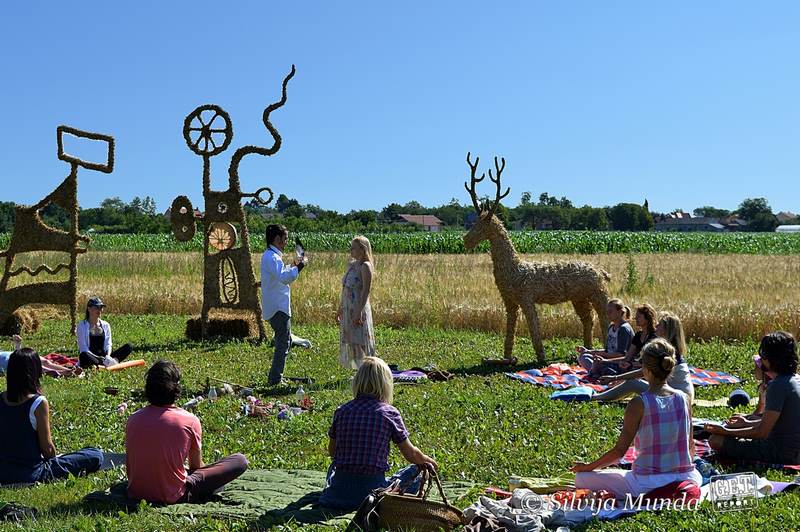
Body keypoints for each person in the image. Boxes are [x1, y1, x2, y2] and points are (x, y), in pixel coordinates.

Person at [571, 339, 701, 498]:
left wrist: (588, 467)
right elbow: (690, 444)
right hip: (687, 479)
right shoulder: (684, 398)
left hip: (646, 484)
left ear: (645, 369)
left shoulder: (639, 403)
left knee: (581, 478)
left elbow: (619, 452)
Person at [319, 357, 438, 510]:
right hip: (372, 495)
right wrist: (427, 460)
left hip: (337, 494)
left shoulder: (342, 411)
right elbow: (411, 454)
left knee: (333, 468)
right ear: (386, 384)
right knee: (417, 471)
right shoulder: (389, 413)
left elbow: (333, 452)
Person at [126, 360, 248, 503]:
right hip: (173, 495)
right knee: (240, 460)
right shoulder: (189, 420)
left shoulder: (133, 419)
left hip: (136, 492)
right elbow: (196, 466)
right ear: (176, 388)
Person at [0, 348, 103, 485]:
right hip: (31, 473)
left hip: (3, 472)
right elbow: (47, 449)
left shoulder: (1, 398)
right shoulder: (37, 403)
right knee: (95, 455)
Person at [706, 331, 800, 465]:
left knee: (715, 440)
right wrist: (745, 422)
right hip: (794, 450)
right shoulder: (795, 380)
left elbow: (762, 432)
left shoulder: (777, 386)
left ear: (768, 360)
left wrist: (726, 431)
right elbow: (779, 423)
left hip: (782, 453)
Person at [594, 310, 695, 403]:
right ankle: (601, 396)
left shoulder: (666, 350)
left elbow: (642, 372)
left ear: (666, 330)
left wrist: (615, 378)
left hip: (678, 399)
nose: (656, 325)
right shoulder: (672, 348)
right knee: (634, 383)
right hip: (681, 397)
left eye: (660, 325)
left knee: (633, 383)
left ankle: (596, 397)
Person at [261, 224, 308, 386]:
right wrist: (299, 267)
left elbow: (280, 273)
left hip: (276, 305)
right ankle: (275, 379)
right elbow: (284, 277)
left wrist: (294, 266)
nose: (287, 242)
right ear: (277, 239)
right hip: (278, 307)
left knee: (284, 341)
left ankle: (276, 376)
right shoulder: (272, 257)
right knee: (283, 343)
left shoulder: (271, 256)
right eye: (285, 238)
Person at [338, 236, 376, 370]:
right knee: (351, 340)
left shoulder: (365, 266)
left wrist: (358, 312)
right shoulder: (352, 265)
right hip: (348, 307)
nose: (351, 250)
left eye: (353, 247)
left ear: (362, 249)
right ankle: (359, 370)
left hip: (358, 308)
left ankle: (367, 370)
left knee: (360, 341)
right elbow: (345, 288)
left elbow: (366, 290)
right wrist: (340, 307)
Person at [577, 299, 634, 377]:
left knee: (594, 361)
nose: (607, 314)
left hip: (618, 363)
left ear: (620, 312)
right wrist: (588, 351)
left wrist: (602, 358)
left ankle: (599, 372)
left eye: (610, 311)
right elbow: (607, 350)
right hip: (607, 359)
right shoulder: (611, 327)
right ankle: (599, 371)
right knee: (583, 356)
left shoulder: (623, 329)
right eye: (607, 312)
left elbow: (620, 354)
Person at [76, 297, 132, 368]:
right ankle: (109, 364)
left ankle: (107, 363)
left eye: (100, 308)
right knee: (84, 355)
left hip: (105, 358)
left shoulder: (106, 325)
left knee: (128, 346)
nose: (99, 310)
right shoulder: (81, 326)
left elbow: (108, 344)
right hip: (92, 357)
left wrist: (108, 356)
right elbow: (83, 348)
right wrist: (100, 359)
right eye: (96, 307)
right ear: (89, 309)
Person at [1, 335, 81, 378]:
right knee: (37, 366)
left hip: (19, 355)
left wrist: (18, 345)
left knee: (45, 361)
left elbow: (16, 354)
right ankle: (63, 373)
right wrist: (18, 347)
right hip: (13, 363)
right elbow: (14, 360)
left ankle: (69, 370)